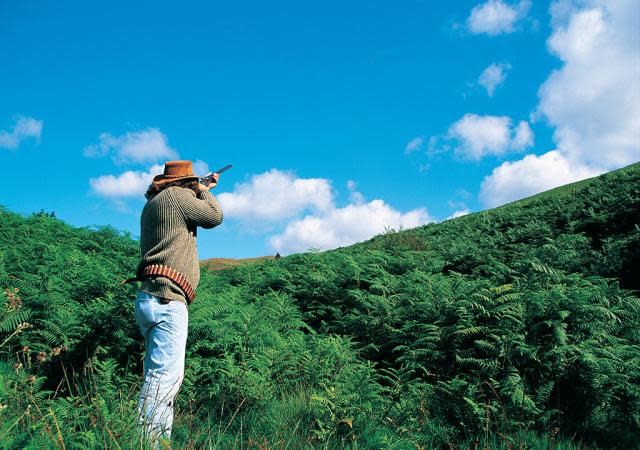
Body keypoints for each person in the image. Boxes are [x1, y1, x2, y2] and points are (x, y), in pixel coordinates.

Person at [131, 160, 223, 444]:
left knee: (155, 377)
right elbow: (214, 216)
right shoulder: (177, 197)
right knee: (163, 382)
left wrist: (197, 187)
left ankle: (147, 440)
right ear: (185, 182)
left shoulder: (154, 202)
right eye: (191, 182)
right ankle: (150, 444)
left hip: (150, 297)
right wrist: (204, 190)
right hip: (167, 301)